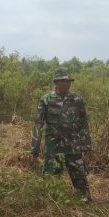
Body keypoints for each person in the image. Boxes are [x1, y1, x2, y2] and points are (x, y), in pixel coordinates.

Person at [31, 67, 93, 202]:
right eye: (63, 81)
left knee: (80, 176)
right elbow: (38, 124)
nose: (66, 84)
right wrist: (35, 147)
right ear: (56, 82)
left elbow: (83, 123)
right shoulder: (46, 100)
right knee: (50, 178)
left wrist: (86, 144)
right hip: (54, 147)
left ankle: (84, 198)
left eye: (68, 81)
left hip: (73, 145)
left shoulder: (77, 100)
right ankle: (52, 201)